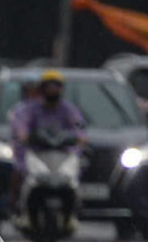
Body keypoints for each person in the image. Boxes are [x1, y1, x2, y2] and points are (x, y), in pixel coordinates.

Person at [8, 70, 88, 206]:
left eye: (56, 87)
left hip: (61, 154)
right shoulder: (32, 108)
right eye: (49, 87)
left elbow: (78, 125)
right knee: (19, 171)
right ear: (42, 89)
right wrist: (23, 134)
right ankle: (16, 205)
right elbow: (22, 123)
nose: (52, 91)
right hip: (37, 152)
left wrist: (81, 137)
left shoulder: (67, 109)